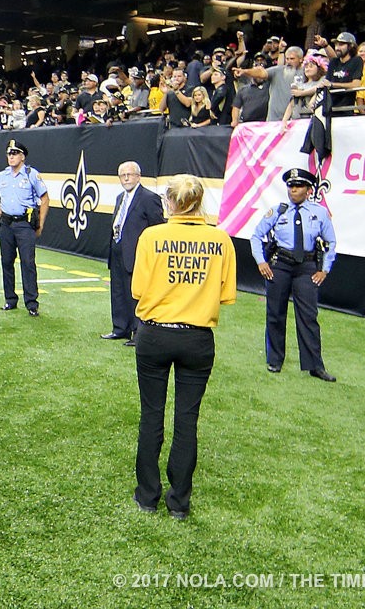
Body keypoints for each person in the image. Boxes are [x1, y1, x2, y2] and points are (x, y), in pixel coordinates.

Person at [131, 175, 236, 519]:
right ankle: (179, 501)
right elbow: (225, 294)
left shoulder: (152, 236)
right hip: (197, 338)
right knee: (187, 420)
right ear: (198, 201)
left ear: (170, 202)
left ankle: (148, 495)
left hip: (155, 334)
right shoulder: (221, 239)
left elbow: (137, 290)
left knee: (151, 415)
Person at [250, 168, 337, 382]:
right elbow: (256, 236)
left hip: (306, 266)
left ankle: (315, 365)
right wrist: (261, 261)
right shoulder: (278, 211)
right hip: (280, 264)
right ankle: (275, 360)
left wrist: (324, 269)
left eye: (298, 186)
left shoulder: (319, 213)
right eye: (290, 186)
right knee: (275, 313)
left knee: (308, 316)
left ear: (309, 190)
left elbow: (330, 242)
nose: (293, 190)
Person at [0, 139, 49, 317]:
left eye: (14, 153)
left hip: (25, 223)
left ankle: (32, 303)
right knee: (6, 261)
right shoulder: (2, 176)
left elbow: (45, 198)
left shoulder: (31, 174)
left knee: (28, 262)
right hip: (6, 223)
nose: (11, 157)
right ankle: (10, 299)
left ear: (22, 156)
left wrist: (41, 223)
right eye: (9, 154)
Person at [103, 162, 164, 346]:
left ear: (138, 176)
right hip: (117, 250)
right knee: (118, 291)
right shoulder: (120, 197)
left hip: (137, 254)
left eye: (129, 174)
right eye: (122, 175)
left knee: (135, 294)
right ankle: (120, 328)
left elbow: (157, 228)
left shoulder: (149, 198)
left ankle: (138, 333)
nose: (126, 178)